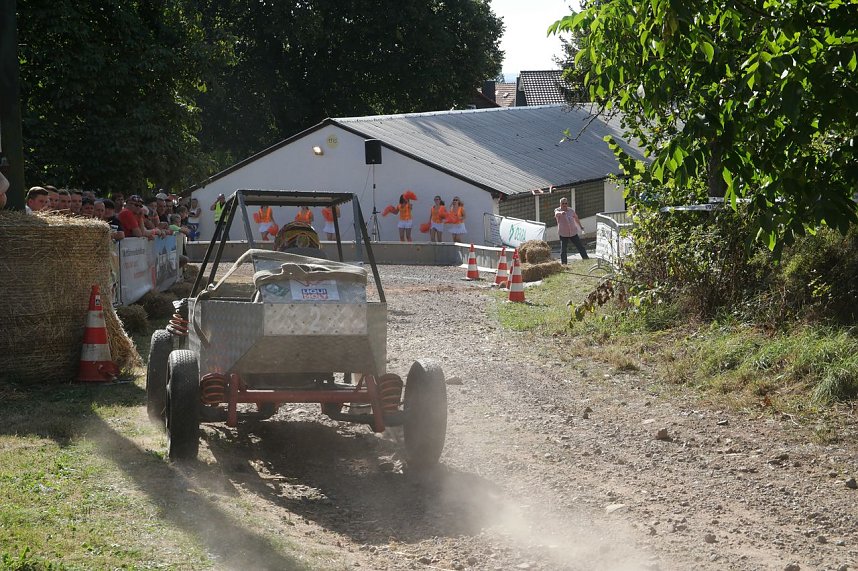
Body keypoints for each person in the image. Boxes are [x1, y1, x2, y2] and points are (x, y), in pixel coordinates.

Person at [554, 197, 589, 263]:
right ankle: (564, 264)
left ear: (567, 203)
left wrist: (581, 226)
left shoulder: (571, 210)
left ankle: (586, 259)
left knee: (580, 247)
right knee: (563, 250)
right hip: (563, 234)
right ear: (560, 204)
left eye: (566, 203)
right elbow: (556, 214)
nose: (564, 205)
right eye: (563, 203)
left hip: (573, 232)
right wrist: (561, 213)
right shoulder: (557, 210)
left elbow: (576, 218)